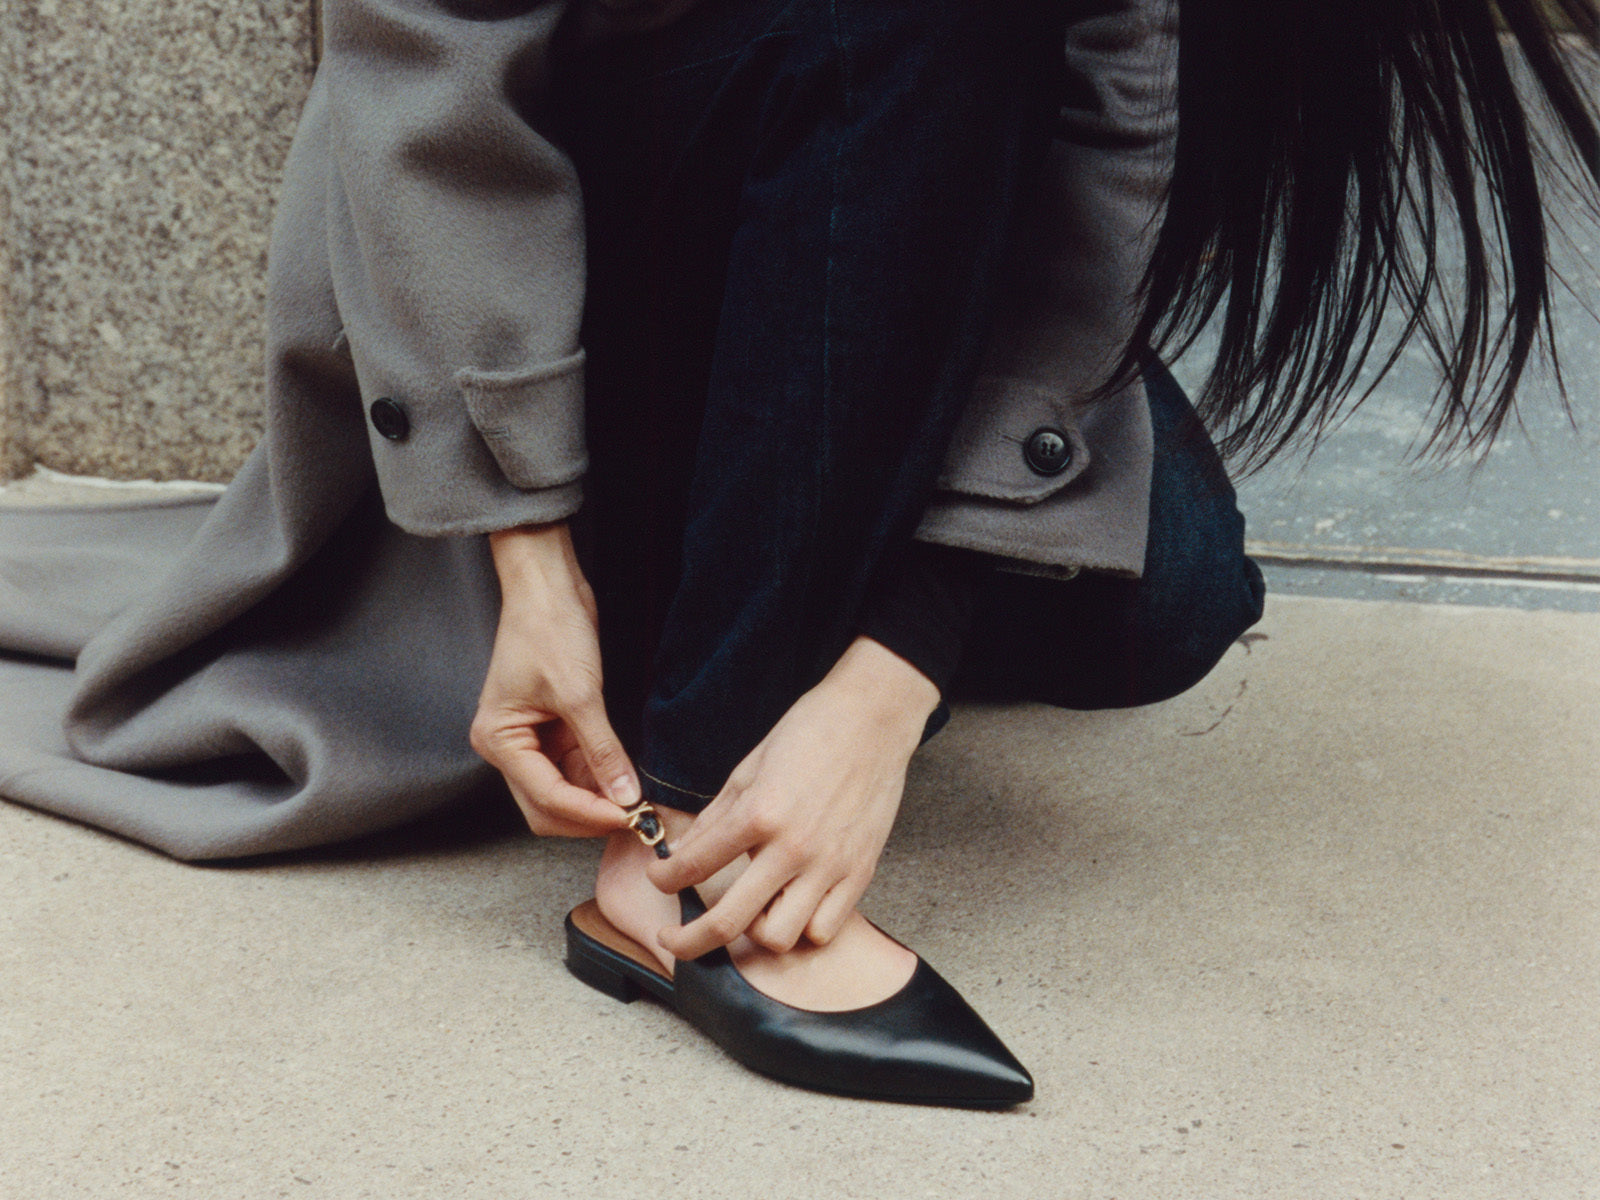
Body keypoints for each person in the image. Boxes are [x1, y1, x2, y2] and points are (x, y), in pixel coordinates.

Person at [0, 0, 1594, 1107]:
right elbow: (429, 64)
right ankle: (678, 844)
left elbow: (1116, 115)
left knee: (1165, 589)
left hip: (871, 194)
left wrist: (890, 674)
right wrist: (526, 556)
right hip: (549, 277)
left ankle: (766, 611)